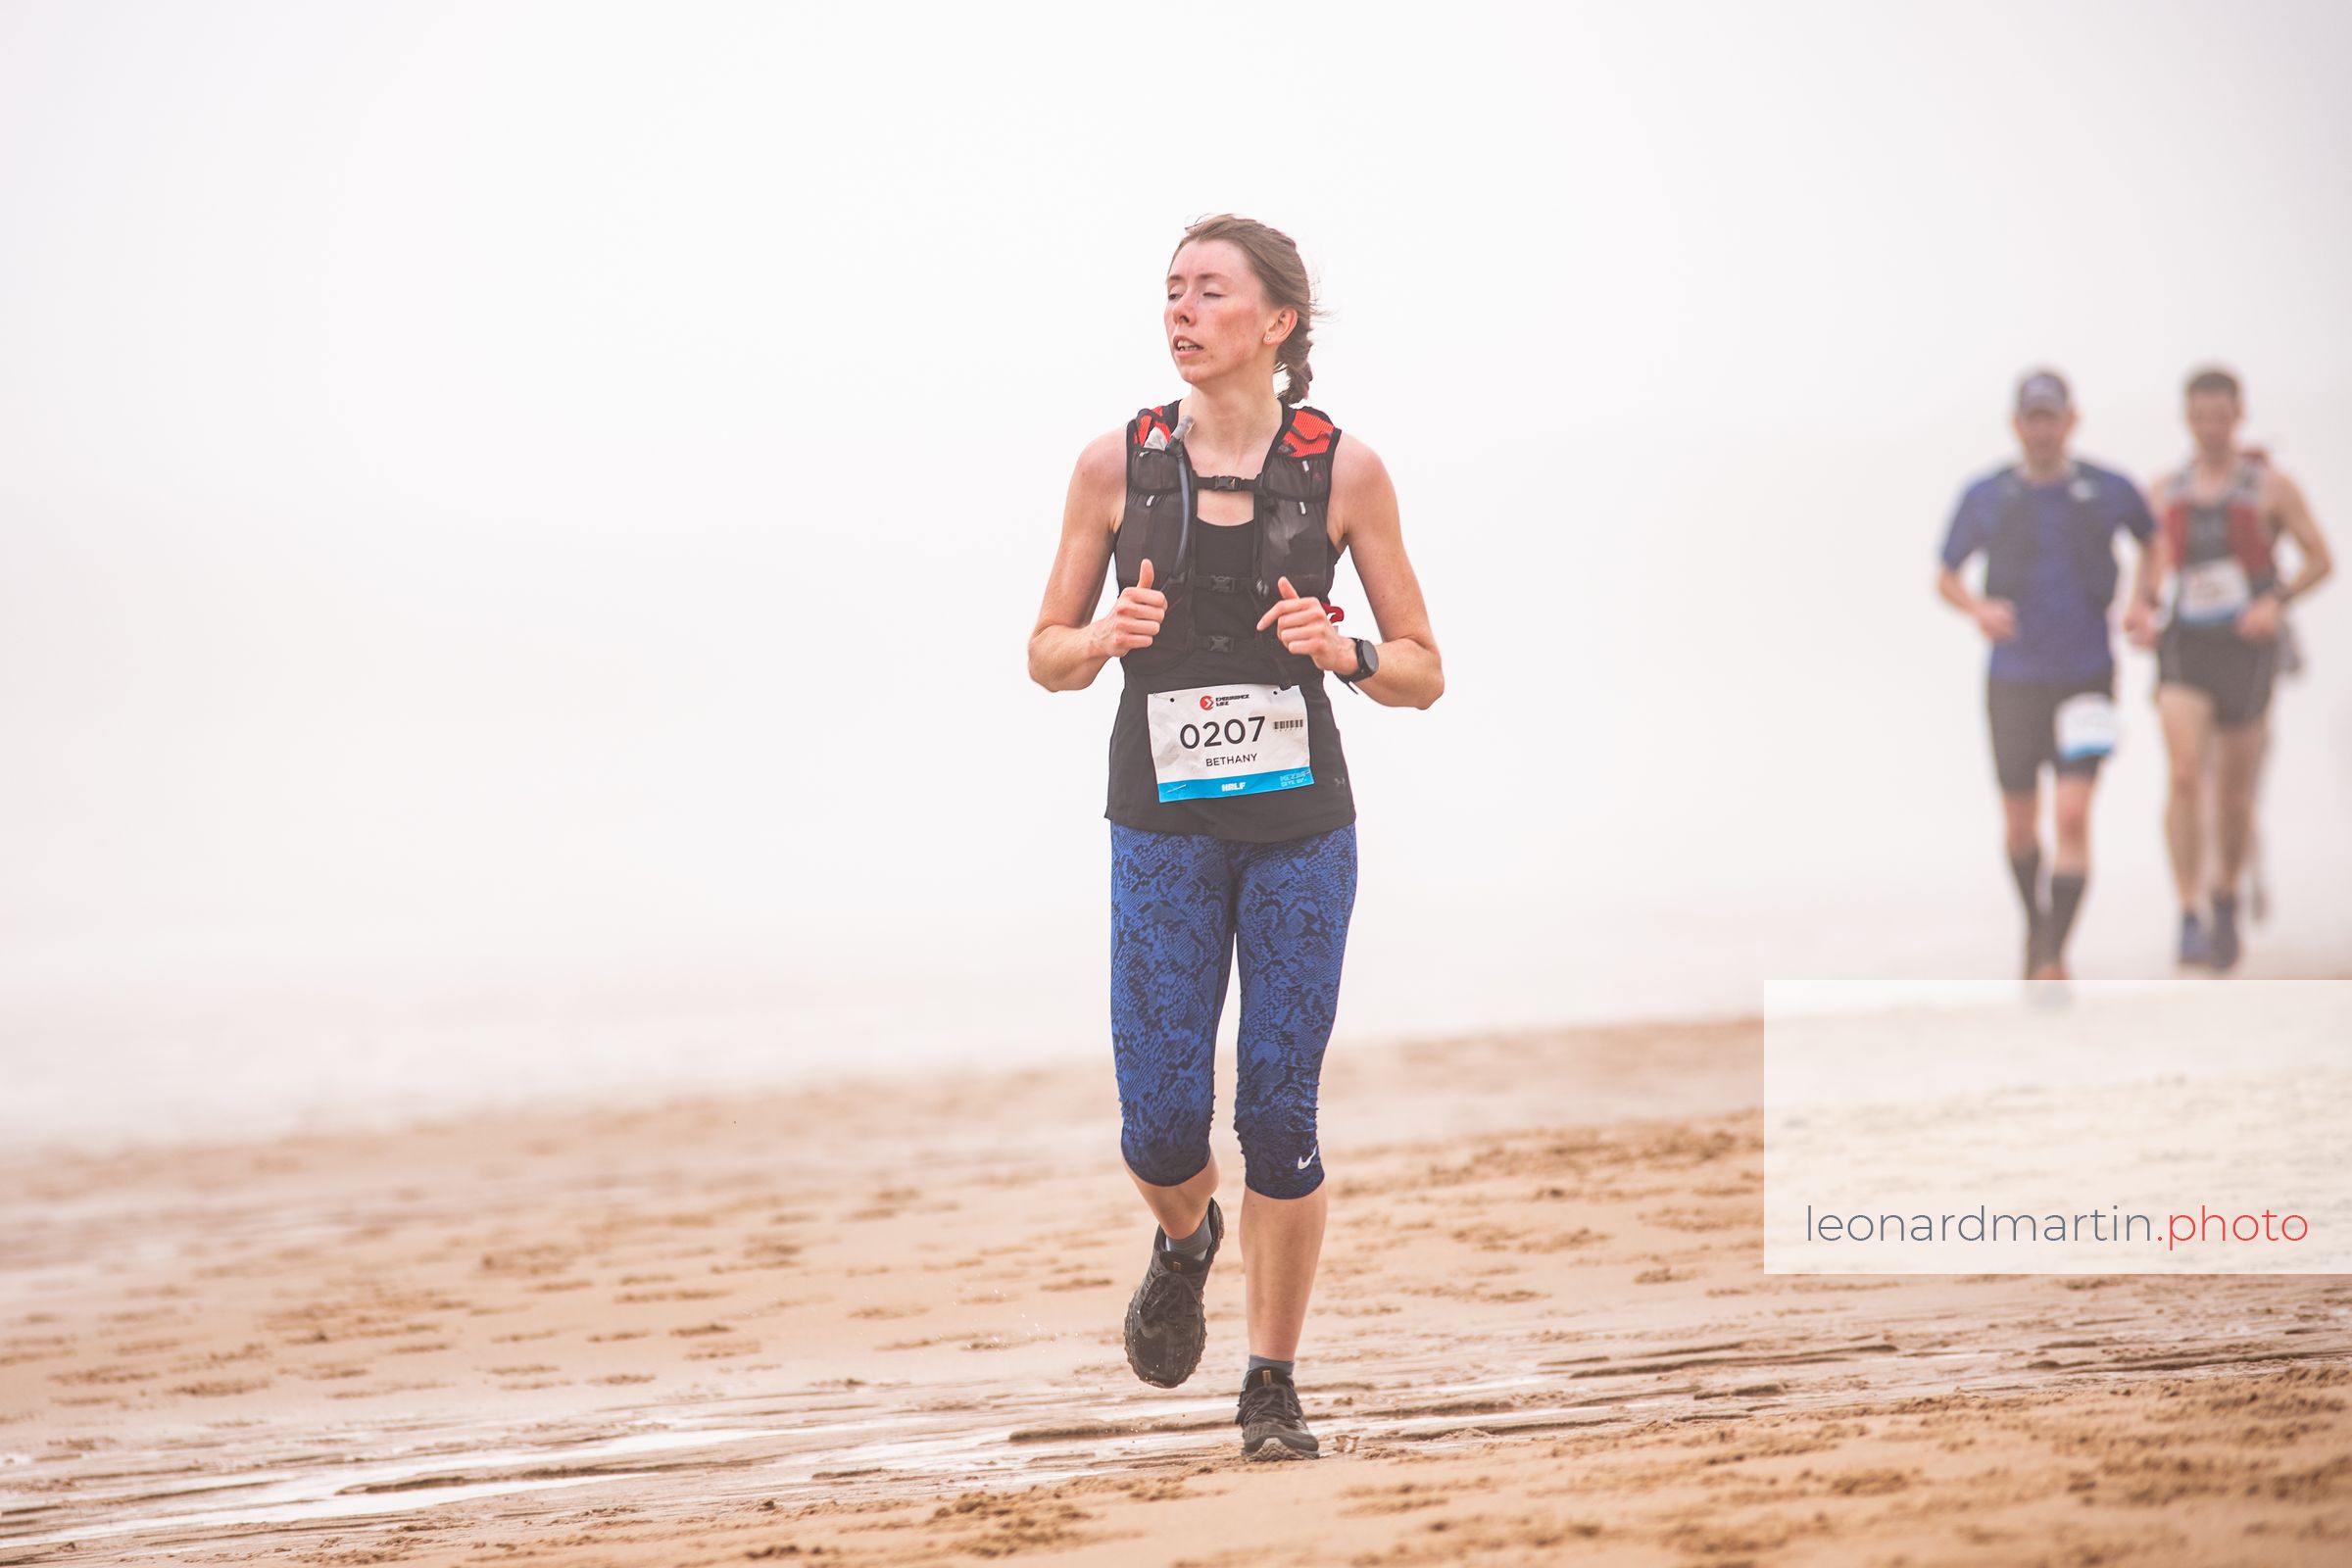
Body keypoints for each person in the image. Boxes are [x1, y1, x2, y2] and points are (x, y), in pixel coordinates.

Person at [1027, 215, 1442, 1460]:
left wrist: (1347, 650)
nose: (1182, 311)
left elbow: (1422, 669)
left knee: (1278, 1110)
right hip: (1162, 828)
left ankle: (1271, 1384)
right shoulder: (1114, 467)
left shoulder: (1345, 471)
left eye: (1210, 291)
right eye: (1172, 291)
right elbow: (1044, 653)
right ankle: (1184, 1236)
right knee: (1160, 1122)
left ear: (1277, 322)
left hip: (1299, 829)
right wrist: (1102, 637)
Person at [1936, 369, 2159, 979]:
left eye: (2051, 418)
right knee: (2019, 820)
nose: (2042, 430)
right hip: (2013, 678)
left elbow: (2154, 537)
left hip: (2087, 674)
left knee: (2072, 814)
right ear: (2017, 425)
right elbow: (1945, 573)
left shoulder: (2108, 488)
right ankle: (2035, 930)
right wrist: (1977, 608)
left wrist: (2144, 602)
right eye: (2032, 419)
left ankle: (2053, 954)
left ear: (2070, 420)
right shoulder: (1987, 494)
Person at [2133, 368, 2332, 971]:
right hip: (2184, 646)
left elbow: (2320, 560)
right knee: (2185, 776)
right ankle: (2187, 911)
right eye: (2201, 417)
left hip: (2245, 649)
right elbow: (2148, 566)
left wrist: (2276, 602)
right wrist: (2140, 608)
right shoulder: (2164, 490)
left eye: (2221, 417)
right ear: (2187, 419)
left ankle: (2225, 897)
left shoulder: (2271, 488)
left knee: (2233, 794)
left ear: (2238, 415)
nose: (2212, 428)